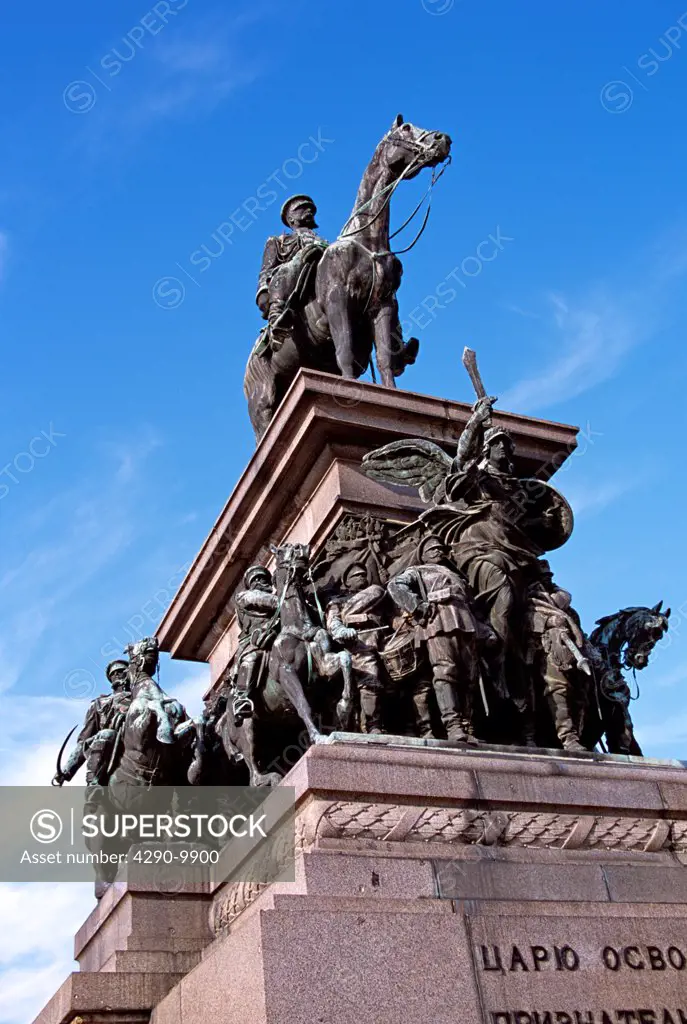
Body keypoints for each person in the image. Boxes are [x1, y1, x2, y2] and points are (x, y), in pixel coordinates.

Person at [387, 535, 483, 743]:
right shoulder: (418, 571)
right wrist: (418, 607)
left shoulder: (457, 576)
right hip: (437, 622)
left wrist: (483, 629)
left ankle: (468, 726)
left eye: (440, 549)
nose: (438, 551)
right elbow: (395, 586)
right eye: (432, 549)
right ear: (423, 555)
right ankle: (453, 725)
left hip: (465, 622)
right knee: (445, 672)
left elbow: (470, 605)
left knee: (469, 677)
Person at [525, 560, 588, 752]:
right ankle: (568, 738)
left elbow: (579, 630)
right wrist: (550, 622)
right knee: (557, 690)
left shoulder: (564, 605)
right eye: (543, 577)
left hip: (572, 654)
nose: (547, 580)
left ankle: (580, 734)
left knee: (581, 696)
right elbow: (526, 622)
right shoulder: (531, 599)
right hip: (544, 652)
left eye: (549, 577)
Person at [256, 195, 328, 349]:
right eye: (301, 208)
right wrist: (263, 293)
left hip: (323, 283)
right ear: (291, 218)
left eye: (310, 209)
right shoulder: (278, 241)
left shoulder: (325, 242)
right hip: (291, 285)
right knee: (286, 269)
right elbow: (266, 271)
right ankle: (277, 319)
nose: (308, 211)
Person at [326, 562, 388, 734]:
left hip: (383, 643)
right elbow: (333, 625)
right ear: (347, 582)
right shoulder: (337, 603)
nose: (361, 577)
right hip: (358, 647)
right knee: (370, 681)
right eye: (356, 575)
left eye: (363, 574)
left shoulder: (375, 595)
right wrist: (344, 631)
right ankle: (372, 725)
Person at [52, 659, 131, 786]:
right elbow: (84, 740)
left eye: (121, 671)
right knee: (106, 734)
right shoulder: (99, 703)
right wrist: (67, 770)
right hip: (110, 744)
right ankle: (94, 786)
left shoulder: (141, 696)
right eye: (114, 673)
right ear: (110, 678)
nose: (117, 674)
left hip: (139, 738)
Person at [230, 565, 279, 725]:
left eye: (263, 579)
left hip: (279, 634)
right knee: (252, 658)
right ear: (250, 584)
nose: (260, 582)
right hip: (254, 641)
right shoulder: (244, 596)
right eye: (256, 579)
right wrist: (287, 598)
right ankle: (242, 698)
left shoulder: (281, 595)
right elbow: (269, 601)